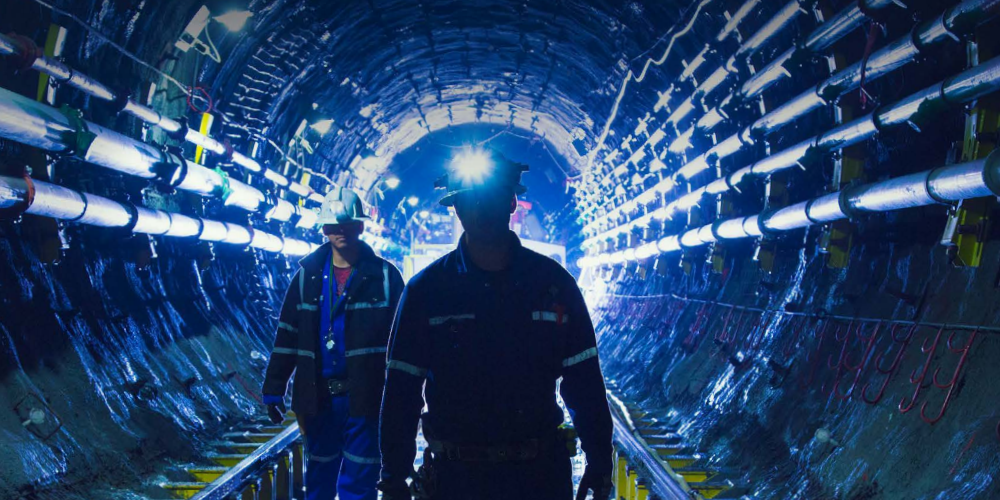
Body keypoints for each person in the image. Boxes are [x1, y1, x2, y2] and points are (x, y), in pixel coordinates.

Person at [378, 149, 613, 500]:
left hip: (538, 478)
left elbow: (585, 382)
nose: (481, 208)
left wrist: (600, 459)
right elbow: (401, 392)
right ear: (456, 209)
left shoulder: (552, 285)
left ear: (512, 203)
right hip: (457, 481)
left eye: (491, 197)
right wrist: (394, 478)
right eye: (471, 200)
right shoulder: (427, 291)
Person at [262, 186, 404, 500]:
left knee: (360, 482)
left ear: (361, 226)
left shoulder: (385, 278)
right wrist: (274, 388)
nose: (341, 231)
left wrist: (407, 396)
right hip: (319, 398)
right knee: (319, 479)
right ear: (324, 229)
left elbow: (405, 342)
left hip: (366, 397)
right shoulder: (306, 277)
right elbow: (287, 335)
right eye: (334, 226)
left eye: (348, 224)